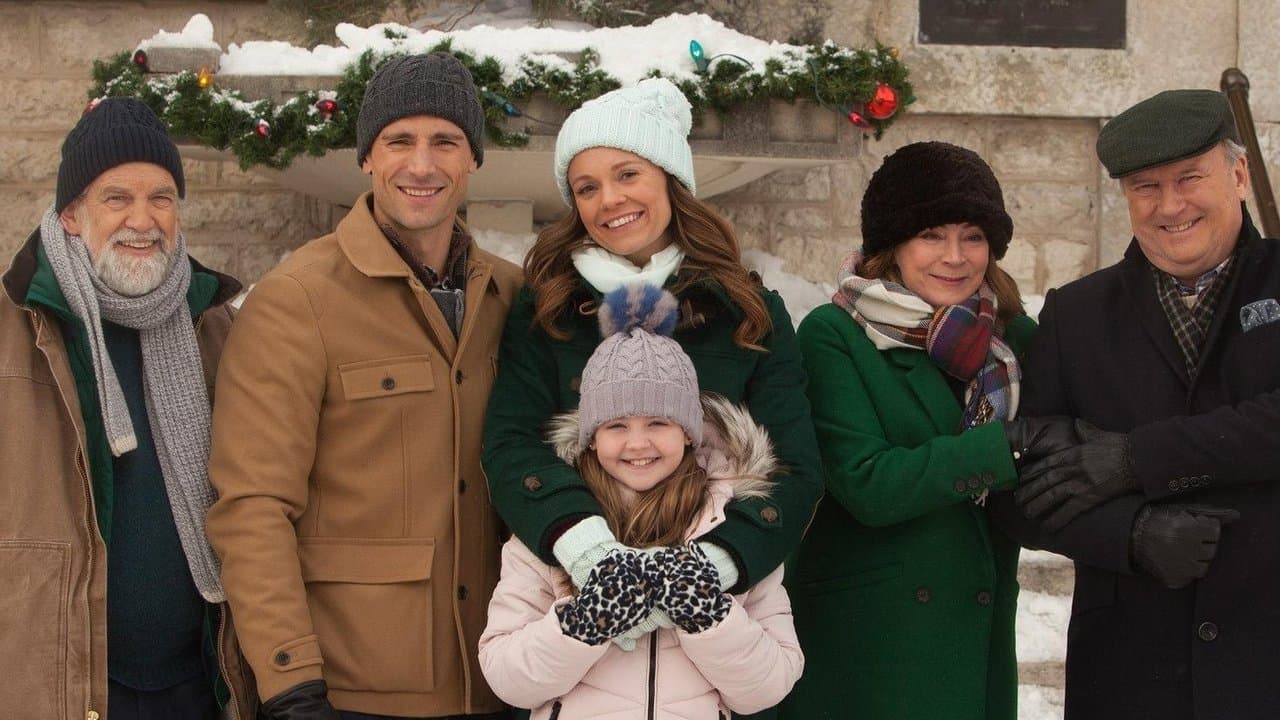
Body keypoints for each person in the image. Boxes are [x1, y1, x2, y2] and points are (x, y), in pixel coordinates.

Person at [207, 52, 521, 720]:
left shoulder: (510, 294)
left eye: (445, 141)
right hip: (351, 691)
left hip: (503, 680)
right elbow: (253, 506)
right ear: (367, 158)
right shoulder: (297, 300)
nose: (422, 164)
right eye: (398, 140)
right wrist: (291, 682)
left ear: (473, 159)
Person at [480, 78, 824, 676]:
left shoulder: (747, 312)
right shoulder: (548, 308)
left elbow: (793, 467)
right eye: (587, 187)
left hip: (713, 640)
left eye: (628, 174)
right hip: (571, 614)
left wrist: (711, 568)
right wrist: (586, 550)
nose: (609, 200)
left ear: (669, 179)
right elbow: (510, 443)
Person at [990, 89, 1280, 720]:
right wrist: (1131, 534)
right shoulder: (1076, 314)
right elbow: (1022, 493)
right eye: (1146, 186)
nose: (1170, 205)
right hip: (1129, 677)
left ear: (1238, 175)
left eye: (1190, 178)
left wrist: (1136, 458)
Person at [781, 142, 1070, 720]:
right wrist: (1006, 446)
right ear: (892, 245)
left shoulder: (1015, 339)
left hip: (973, 625)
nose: (955, 257)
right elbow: (868, 483)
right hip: (870, 639)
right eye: (931, 235)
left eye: (973, 237)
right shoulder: (834, 334)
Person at [0, 98, 253, 719]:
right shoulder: (15, 328)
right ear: (71, 214)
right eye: (117, 198)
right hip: (58, 685)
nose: (143, 220)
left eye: (161, 198)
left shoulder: (215, 327)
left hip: (201, 679)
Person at [478, 284, 804, 719]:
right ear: (592, 438)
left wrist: (707, 613)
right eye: (616, 426)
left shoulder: (730, 522)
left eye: (658, 423)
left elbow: (769, 685)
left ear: (687, 432)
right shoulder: (554, 526)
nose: (637, 443)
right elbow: (507, 677)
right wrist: (586, 621)